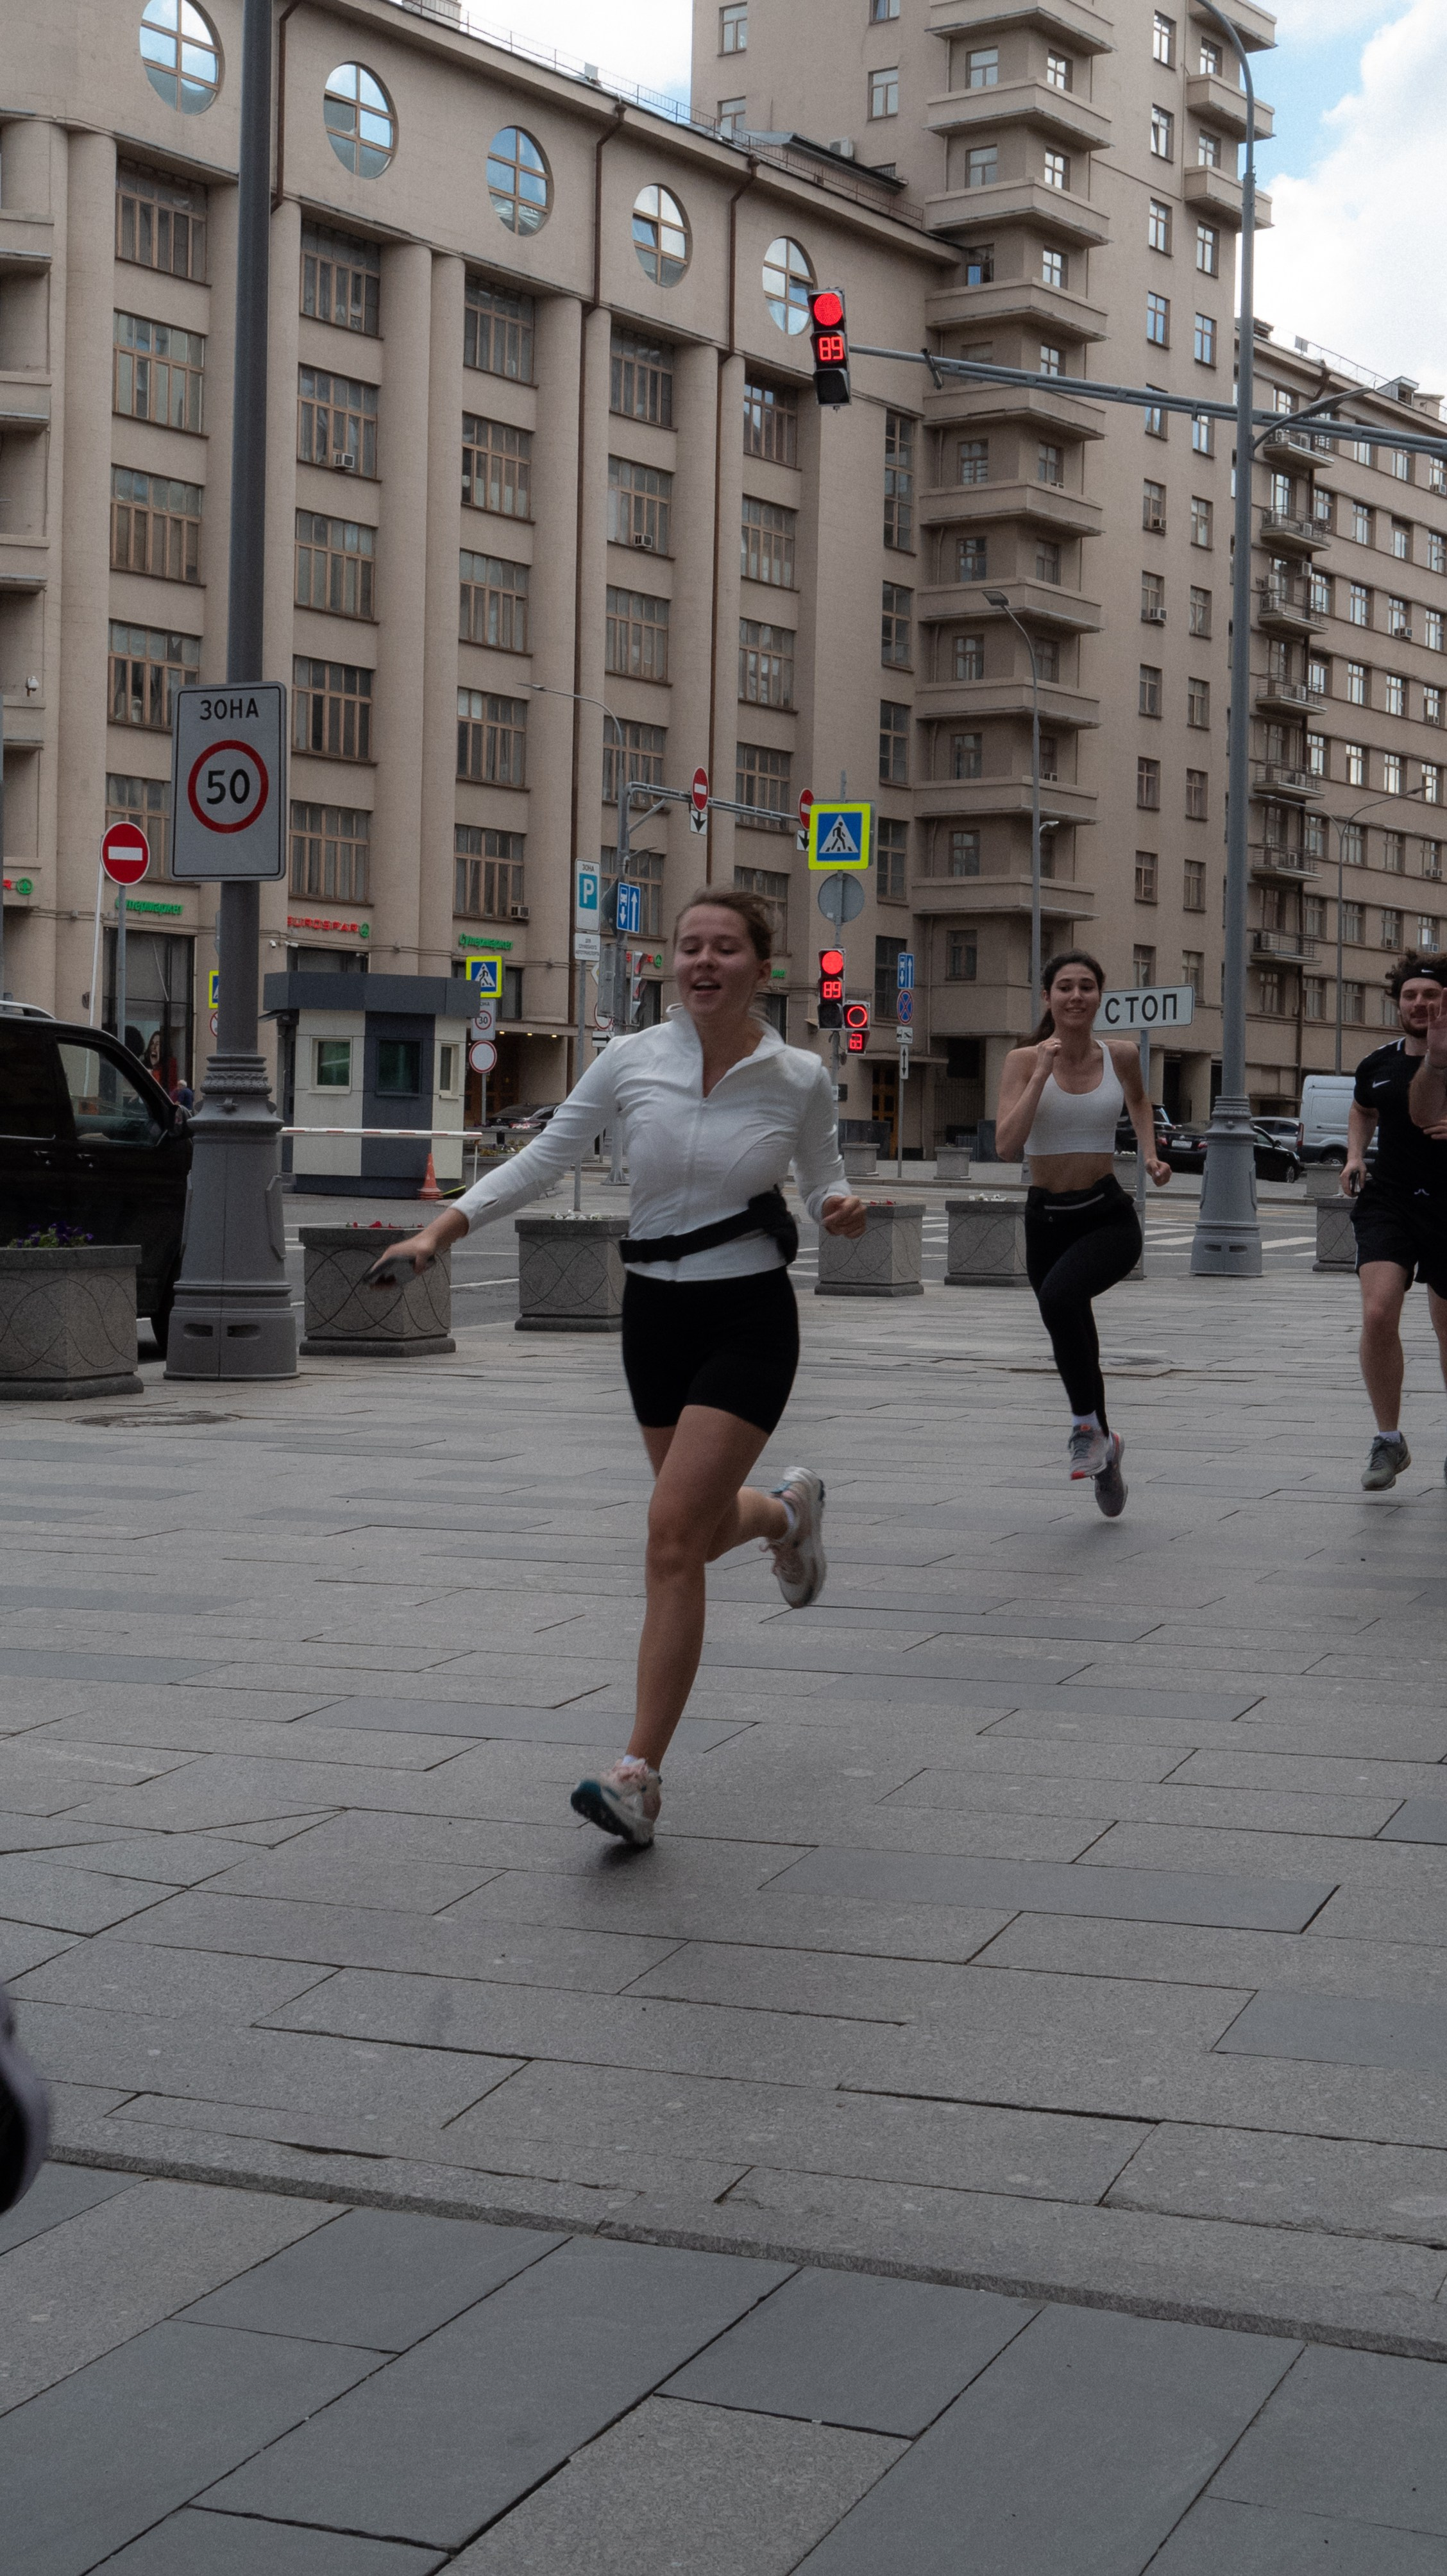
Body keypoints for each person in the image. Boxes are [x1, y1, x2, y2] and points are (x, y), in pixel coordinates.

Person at [375, 888, 866, 1849]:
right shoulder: (631, 1060)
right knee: (703, 1524)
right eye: (689, 948)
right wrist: (440, 1228)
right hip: (653, 1317)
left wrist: (842, 1207)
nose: (704, 963)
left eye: (725, 948)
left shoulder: (800, 1076)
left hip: (748, 1316)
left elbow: (825, 1176)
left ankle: (637, 1775)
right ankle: (790, 1514)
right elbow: (545, 1158)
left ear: (761, 967)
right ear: (669, 965)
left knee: (671, 1537)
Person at [994, 949, 1171, 1517]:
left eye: (1087, 987)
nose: (1076, 996)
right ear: (1047, 997)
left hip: (1106, 1215)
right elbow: (1005, 1145)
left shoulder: (1119, 1054)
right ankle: (1104, 1443)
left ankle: (1084, 1428)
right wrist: (1042, 1073)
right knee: (1072, 1331)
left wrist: (1149, 1155)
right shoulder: (1023, 1060)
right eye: (1065, 987)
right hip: (1046, 1218)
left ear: (1100, 997)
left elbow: (1141, 1102)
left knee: (1060, 1298)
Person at [1339, 953, 1447, 1489]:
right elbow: (1363, 1108)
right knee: (1379, 1312)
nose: (1421, 1004)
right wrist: (1355, 1155)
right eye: (1411, 996)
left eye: (1431, 995)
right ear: (1398, 1004)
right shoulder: (1378, 1062)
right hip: (1392, 1200)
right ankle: (1388, 1441)